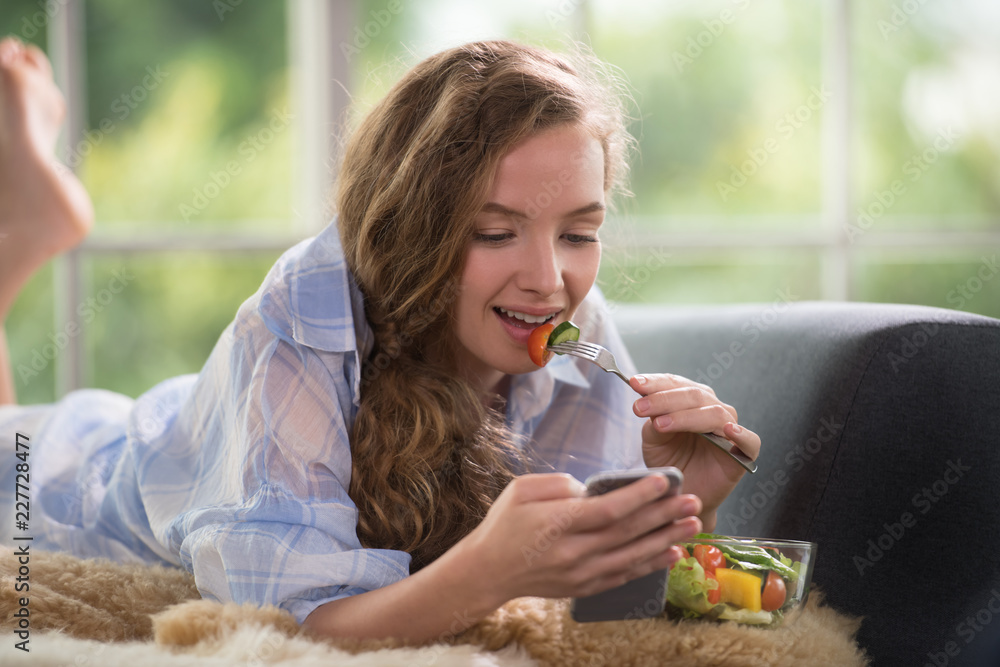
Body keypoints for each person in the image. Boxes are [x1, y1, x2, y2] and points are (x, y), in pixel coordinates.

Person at [0, 36, 761, 642]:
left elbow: (602, 589)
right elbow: (287, 626)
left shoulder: (574, 326)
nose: (548, 276)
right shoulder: (298, 321)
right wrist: (484, 572)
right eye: (496, 232)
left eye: (580, 232)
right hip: (58, 480)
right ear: (412, 227)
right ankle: (20, 244)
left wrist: (688, 502)